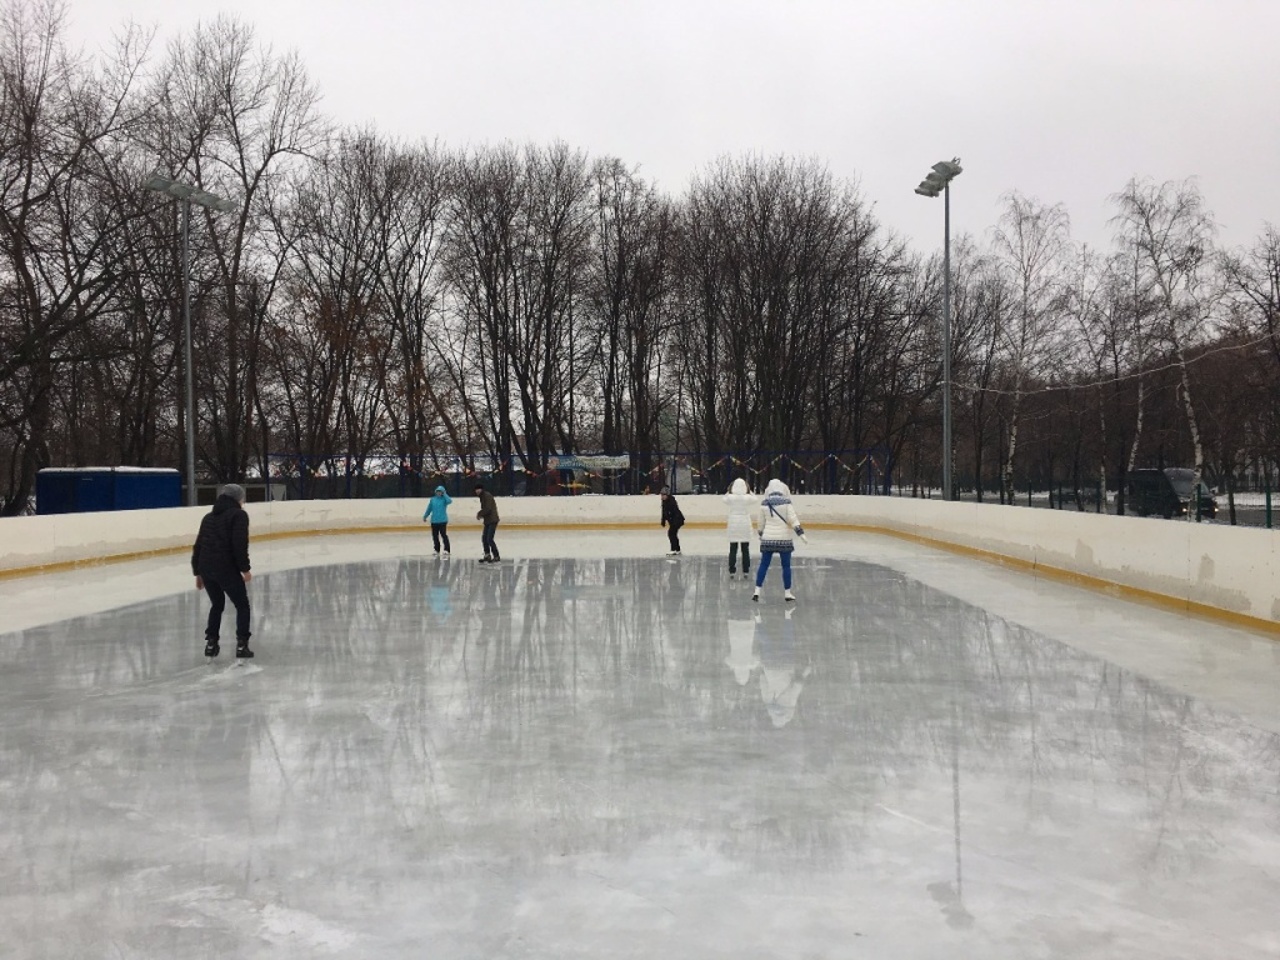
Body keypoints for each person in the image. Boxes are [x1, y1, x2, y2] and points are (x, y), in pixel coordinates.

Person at [191, 482, 254, 658]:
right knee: (242, 605)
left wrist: (198, 572)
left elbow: (198, 546)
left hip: (206, 568)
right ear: (237, 499)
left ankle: (211, 644)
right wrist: (245, 569)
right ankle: (242, 645)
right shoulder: (239, 515)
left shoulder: (208, 517)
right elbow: (239, 544)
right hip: (225, 568)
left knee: (217, 605)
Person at [753, 478, 805, 603]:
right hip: (784, 539)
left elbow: (760, 523)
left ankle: (757, 591)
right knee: (786, 566)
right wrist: (800, 533)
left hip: (768, 539)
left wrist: (761, 534)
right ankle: (787, 593)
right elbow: (793, 519)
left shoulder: (764, 503)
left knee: (764, 565)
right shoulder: (787, 502)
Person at [723, 477, 756, 579]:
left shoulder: (731, 498)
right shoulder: (747, 498)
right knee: (745, 549)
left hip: (733, 524)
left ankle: (732, 570)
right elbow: (755, 498)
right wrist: (749, 491)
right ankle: (746, 570)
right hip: (744, 524)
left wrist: (729, 491)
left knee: (733, 549)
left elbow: (724, 498)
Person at [422, 484, 453, 556]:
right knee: (435, 536)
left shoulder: (444, 499)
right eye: (438, 491)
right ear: (435, 492)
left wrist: (445, 494)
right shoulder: (432, 499)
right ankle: (436, 549)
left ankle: (447, 549)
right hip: (434, 521)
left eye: (440, 491)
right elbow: (429, 508)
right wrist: (425, 516)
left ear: (442, 492)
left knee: (443, 535)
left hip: (442, 521)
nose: (439, 493)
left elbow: (450, 501)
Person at [474, 483, 501, 562]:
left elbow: (488, 508)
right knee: (484, 538)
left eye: (478, 489)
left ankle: (496, 556)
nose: (477, 491)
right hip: (488, 520)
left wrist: (480, 514)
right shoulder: (482, 496)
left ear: (482, 489)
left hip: (492, 520)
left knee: (489, 539)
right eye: (476, 490)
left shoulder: (486, 496)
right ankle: (487, 555)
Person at [660, 486, 684, 556]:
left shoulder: (671, 501)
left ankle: (674, 549)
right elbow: (664, 512)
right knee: (672, 534)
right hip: (673, 520)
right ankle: (677, 549)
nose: (662, 496)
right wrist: (663, 520)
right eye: (661, 495)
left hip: (677, 520)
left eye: (664, 495)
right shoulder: (664, 502)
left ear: (667, 495)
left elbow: (674, 512)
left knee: (671, 533)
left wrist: (673, 522)